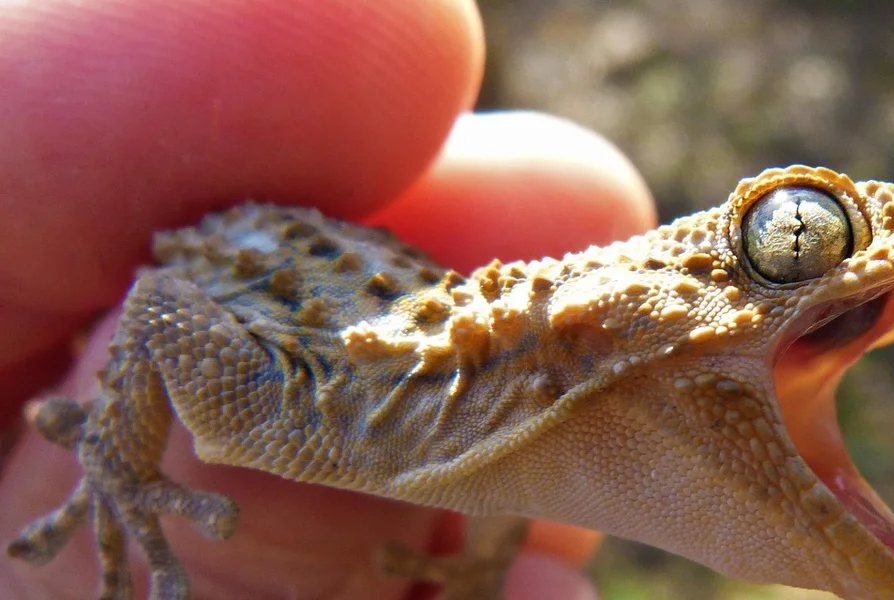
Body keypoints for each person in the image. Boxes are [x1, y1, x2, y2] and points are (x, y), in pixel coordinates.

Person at [0, 1, 655, 598]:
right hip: (234, 260)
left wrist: (481, 568)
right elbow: (155, 311)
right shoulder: (317, 397)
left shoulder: (502, 426)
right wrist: (122, 464)